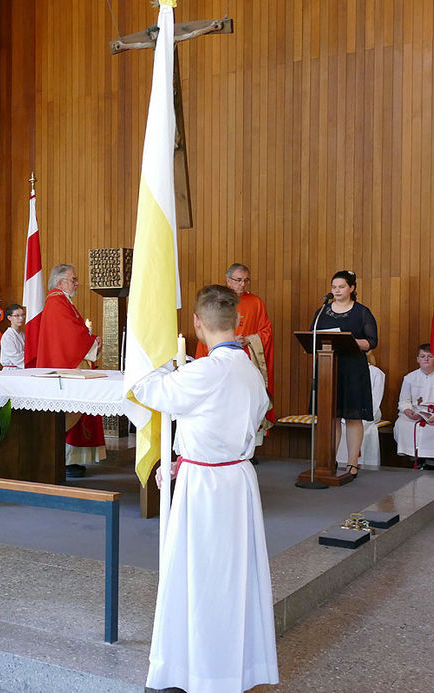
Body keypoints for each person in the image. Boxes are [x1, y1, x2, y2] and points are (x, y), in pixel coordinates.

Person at [130, 285, 277, 693]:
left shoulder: (202, 372)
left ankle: (199, 670)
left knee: (201, 576)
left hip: (206, 486)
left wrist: (162, 363)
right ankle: (236, 668)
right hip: (237, 479)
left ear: (197, 323)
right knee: (234, 578)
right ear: (237, 322)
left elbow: (145, 389)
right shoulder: (251, 372)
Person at [195, 263, 274, 453]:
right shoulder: (217, 302)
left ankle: (248, 447)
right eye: (238, 280)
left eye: (246, 280)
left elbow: (266, 332)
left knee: (244, 404)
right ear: (228, 280)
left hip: (246, 362)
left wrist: (249, 340)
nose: (243, 284)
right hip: (219, 362)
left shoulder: (255, 302)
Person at [35, 264, 104, 477]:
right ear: (59, 282)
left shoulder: (61, 301)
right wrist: (91, 342)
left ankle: (71, 460)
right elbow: (72, 336)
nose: (77, 283)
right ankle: (67, 461)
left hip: (66, 365)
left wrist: (89, 341)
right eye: (73, 279)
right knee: (70, 414)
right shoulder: (57, 302)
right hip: (64, 367)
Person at [311, 270, 378, 478]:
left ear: (351, 288)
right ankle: (328, 461)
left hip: (353, 369)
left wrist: (352, 341)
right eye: (334, 287)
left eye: (341, 287)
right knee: (330, 416)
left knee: (352, 417)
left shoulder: (362, 312)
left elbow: (372, 342)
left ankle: (352, 464)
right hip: (327, 369)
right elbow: (313, 337)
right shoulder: (323, 311)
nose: (337, 290)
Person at [393, 344, 434, 470]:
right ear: (417, 359)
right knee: (402, 425)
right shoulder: (409, 378)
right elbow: (403, 401)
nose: (426, 359)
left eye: (430, 356)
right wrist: (409, 412)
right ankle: (415, 458)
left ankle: (431, 460)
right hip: (414, 412)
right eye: (422, 356)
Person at [0, 304, 25, 369]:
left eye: (22, 315)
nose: (21, 318)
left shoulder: (23, 335)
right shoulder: (7, 336)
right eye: (17, 316)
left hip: (22, 370)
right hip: (11, 370)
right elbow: (16, 357)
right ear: (9, 318)